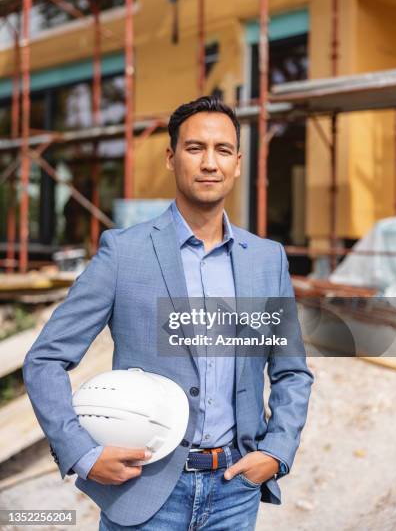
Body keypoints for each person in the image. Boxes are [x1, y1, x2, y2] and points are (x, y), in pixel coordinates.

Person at [23, 96, 314, 530]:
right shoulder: (124, 252)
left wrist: (276, 451)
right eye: (195, 148)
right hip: (145, 491)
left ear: (237, 162)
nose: (209, 163)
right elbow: (45, 359)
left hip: (235, 493)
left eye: (222, 151)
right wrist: (83, 453)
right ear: (171, 157)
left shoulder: (266, 259)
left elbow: (291, 372)